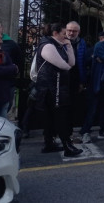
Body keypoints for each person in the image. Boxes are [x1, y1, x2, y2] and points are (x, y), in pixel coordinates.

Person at [33, 23, 83, 157]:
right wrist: (66, 48)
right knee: (60, 118)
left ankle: (49, 144)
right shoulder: (48, 46)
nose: (65, 35)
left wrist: (69, 45)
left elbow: (72, 63)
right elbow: (64, 66)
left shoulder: (59, 45)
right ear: (55, 33)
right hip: (50, 88)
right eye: (63, 33)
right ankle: (67, 146)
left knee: (53, 117)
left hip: (56, 86)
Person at [0, 28, 18, 118]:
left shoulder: (4, 54)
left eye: (1, 38)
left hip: (4, 99)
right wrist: (10, 68)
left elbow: (13, 72)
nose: (1, 41)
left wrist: (5, 70)